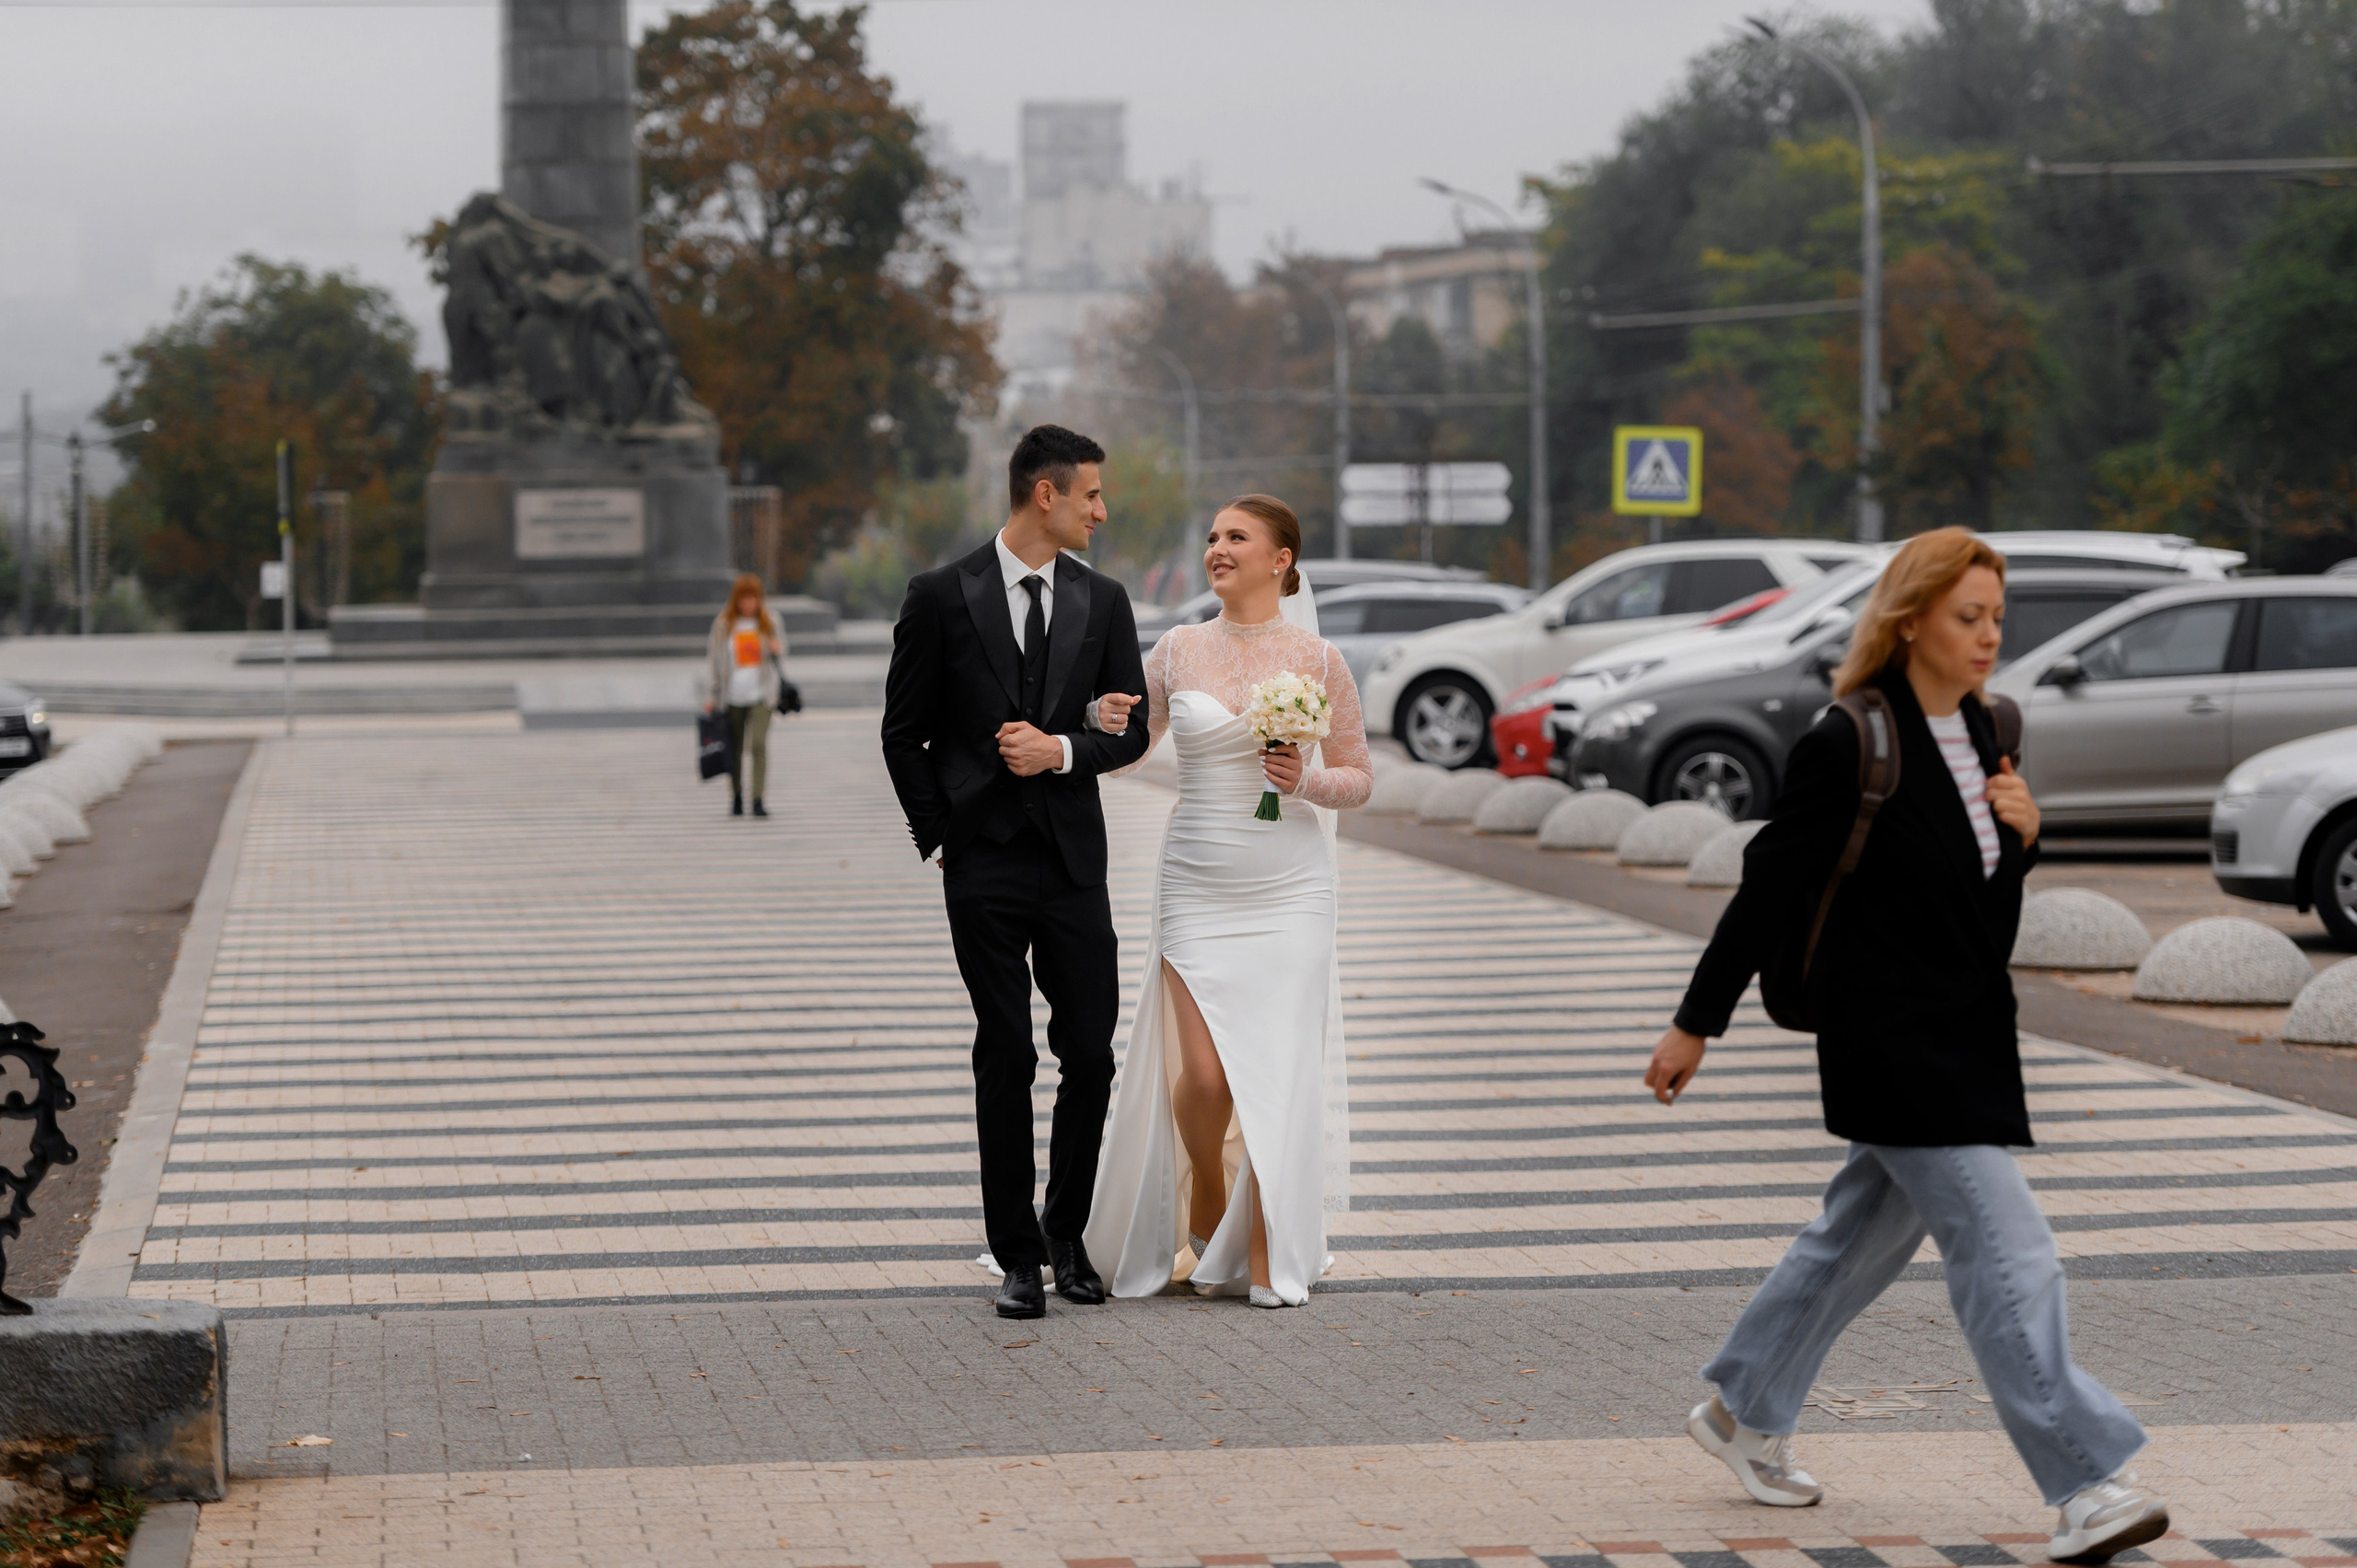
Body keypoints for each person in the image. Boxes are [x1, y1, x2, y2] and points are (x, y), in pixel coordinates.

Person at [1643, 528, 2167, 1563]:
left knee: (1857, 1238)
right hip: (1890, 1046)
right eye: (1967, 617)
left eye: (1996, 619)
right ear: (1910, 618)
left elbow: (1981, 926)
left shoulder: (1990, 729)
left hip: (1968, 1037)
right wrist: (1695, 1021)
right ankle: (2087, 1482)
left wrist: (2022, 844)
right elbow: (1769, 890)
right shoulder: (1848, 738)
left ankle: (1744, 1408)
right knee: (2009, 1254)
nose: (1987, 637)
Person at [879, 424, 1151, 1320]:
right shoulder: (940, 595)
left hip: (1075, 863)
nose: (1101, 512)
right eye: (1091, 497)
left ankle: (1065, 1231)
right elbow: (903, 732)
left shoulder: (1103, 600)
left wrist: (1063, 749)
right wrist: (943, 831)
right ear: (1046, 493)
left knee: (1091, 1055)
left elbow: (1129, 729)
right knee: (1004, 1053)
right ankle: (1017, 1256)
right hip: (983, 865)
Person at [1086, 494, 1372, 1309]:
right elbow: (1126, 748)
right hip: (1198, 879)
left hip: (1291, 884)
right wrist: (1096, 717)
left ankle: (1266, 1243)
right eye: (1212, 536)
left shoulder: (1320, 661)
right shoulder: (1177, 649)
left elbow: (1357, 775)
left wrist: (1306, 779)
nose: (1217, 548)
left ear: (1281, 559)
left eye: (1236, 537)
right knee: (1206, 1079)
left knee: (1275, 1072)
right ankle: (1204, 1186)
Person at [705, 574, 786, 818]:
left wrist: (776, 649)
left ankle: (758, 799)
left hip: (762, 694)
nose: (749, 604)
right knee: (735, 749)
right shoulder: (723, 624)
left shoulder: (770, 621)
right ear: (736, 600)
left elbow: (782, 650)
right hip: (732, 696)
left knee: (758, 744)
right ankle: (737, 796)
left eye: (753, 599)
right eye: (744, 599)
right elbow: (714, 661)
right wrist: (713, 694)